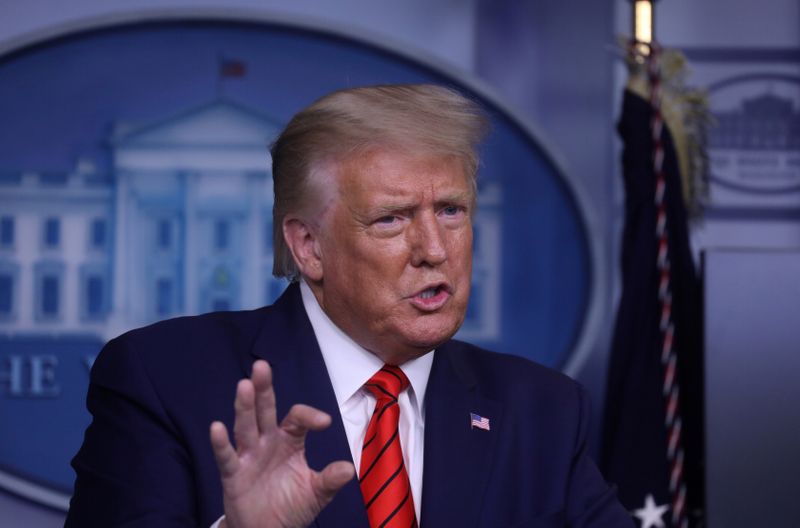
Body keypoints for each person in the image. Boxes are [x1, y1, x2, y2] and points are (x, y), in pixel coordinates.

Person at [65, 84, 633, 527]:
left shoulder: (543, 410)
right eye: (392, 218)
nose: (435, 250)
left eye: (453, 211)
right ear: (308, 246)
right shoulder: (161, 380)